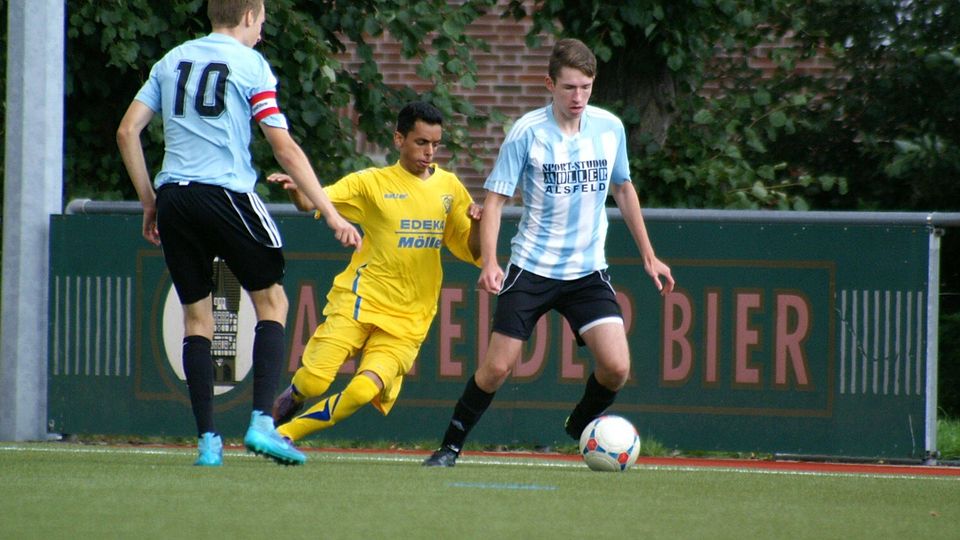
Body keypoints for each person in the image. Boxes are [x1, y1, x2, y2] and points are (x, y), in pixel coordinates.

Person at [116, 0, 361, 467]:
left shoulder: (172, 60)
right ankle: (261, 424)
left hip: (174, 198)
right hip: (225, 194)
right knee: (272, 302)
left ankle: (208, 442)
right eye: (262, 22)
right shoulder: (250, 64)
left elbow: (128, 132)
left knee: (196, 321)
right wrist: (332, 214)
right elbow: (283, 148)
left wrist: (151, 201)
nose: (262, 32)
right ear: (249, 16)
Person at [422, 38, 675, 467]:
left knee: (616, 367)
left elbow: (623, 188)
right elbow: (497, 199)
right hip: (532, 269)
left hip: (587, 272)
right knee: (497, 368)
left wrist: (650, 256)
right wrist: (490, 261)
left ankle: (579, 429)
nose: (578, 97)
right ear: (549, 84)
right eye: (569, 88)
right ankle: (449, 447)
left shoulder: (609, 128)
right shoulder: (527, 132)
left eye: (586, 87)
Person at [267, 101, 482, 445]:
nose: (429, 152)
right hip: (360, 300)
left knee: (362, 390)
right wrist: (298, 191)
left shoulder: (450, 188)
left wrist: (475, 226)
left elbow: (475, 252)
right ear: (399, 139)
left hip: (410, 318)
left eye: (435, 144)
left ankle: (284, 435)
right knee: (313, 383)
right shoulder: (371, 183)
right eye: (421, 142)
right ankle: (277, 411)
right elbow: (313, 202)